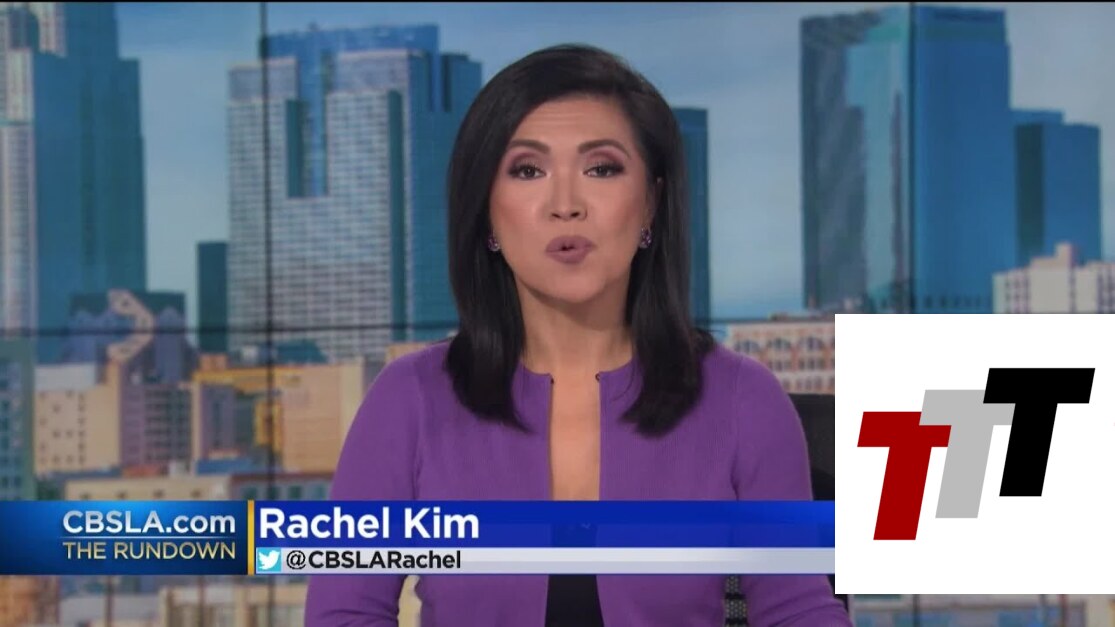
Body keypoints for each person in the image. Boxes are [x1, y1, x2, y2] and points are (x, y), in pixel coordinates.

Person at [305, 44, 851, 627]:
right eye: (527, 170)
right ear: (487, 212)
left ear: (651, 204)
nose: (565, 205)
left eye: (601, 169)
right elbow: (345, 613)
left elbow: (796, 610)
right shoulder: (409, 399)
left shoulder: (741, 398)